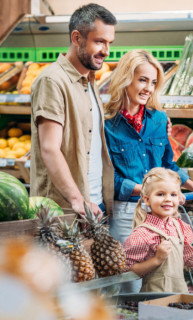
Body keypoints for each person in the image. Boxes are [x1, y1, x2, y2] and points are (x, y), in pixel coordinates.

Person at [104, 49, 193, 246]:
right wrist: (154, 192)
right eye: (142, 80)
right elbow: (108, 178)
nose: (148, 88)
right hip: (126, 214)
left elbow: (168, 165)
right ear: (125, 79)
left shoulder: (159, 119)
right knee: (132, 275)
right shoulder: (105, 124)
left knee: (161, 274)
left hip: (160, 213)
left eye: (153, 82)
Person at [30, 3, 117, 216]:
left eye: (109, 43)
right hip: (63, 212)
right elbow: (50, 148)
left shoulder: (89, 81)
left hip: (94, 205)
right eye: (99, 42)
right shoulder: (52, 81)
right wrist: (78, 200)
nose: (106, 51)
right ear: (77, 38)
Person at [123, 167, 193, 293]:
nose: (168, 199)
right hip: (154, 301)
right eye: (160, 194)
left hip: (180, 297)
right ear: (147, 200)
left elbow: (191, 260)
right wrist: (156, 260)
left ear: (179, 198)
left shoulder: (180, 227)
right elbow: (128, 270)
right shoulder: (142, 234)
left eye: (173, 194)